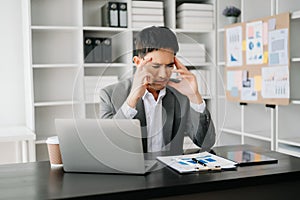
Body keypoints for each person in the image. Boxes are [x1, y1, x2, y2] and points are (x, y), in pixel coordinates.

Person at [99, 26, 215, 156]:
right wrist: (132, 100)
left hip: (171, 173)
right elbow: (107, 146)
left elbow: (206, 142)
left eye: (169, 66)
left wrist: (195, 97)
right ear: (138, 62)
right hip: (132, 174)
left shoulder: (181, 93)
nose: (163, 75)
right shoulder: (109, 95)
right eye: (155, 66)